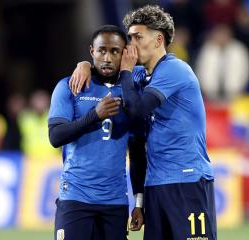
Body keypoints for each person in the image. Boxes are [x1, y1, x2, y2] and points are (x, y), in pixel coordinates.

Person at [69, 5, 217, 240]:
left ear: (159, 39)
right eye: (129, 38)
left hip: (186, 180)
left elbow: (137, 111)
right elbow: (104, 68)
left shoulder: (175, 69)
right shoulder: (140, 76)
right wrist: (84, 64)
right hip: (156, 185)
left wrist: (126, 72)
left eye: (137, 37)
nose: (130, 45)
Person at [48, 25, 146, 240]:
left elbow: (138, 152)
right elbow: (56, 137)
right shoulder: (70, 86)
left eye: (115, 51)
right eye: (102, 51)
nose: (108, 58)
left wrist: (139, 202)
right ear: (92, 51)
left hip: (115, 202)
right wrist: (95, 115)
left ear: (125, 53)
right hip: (75, 197)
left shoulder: (133, 88)